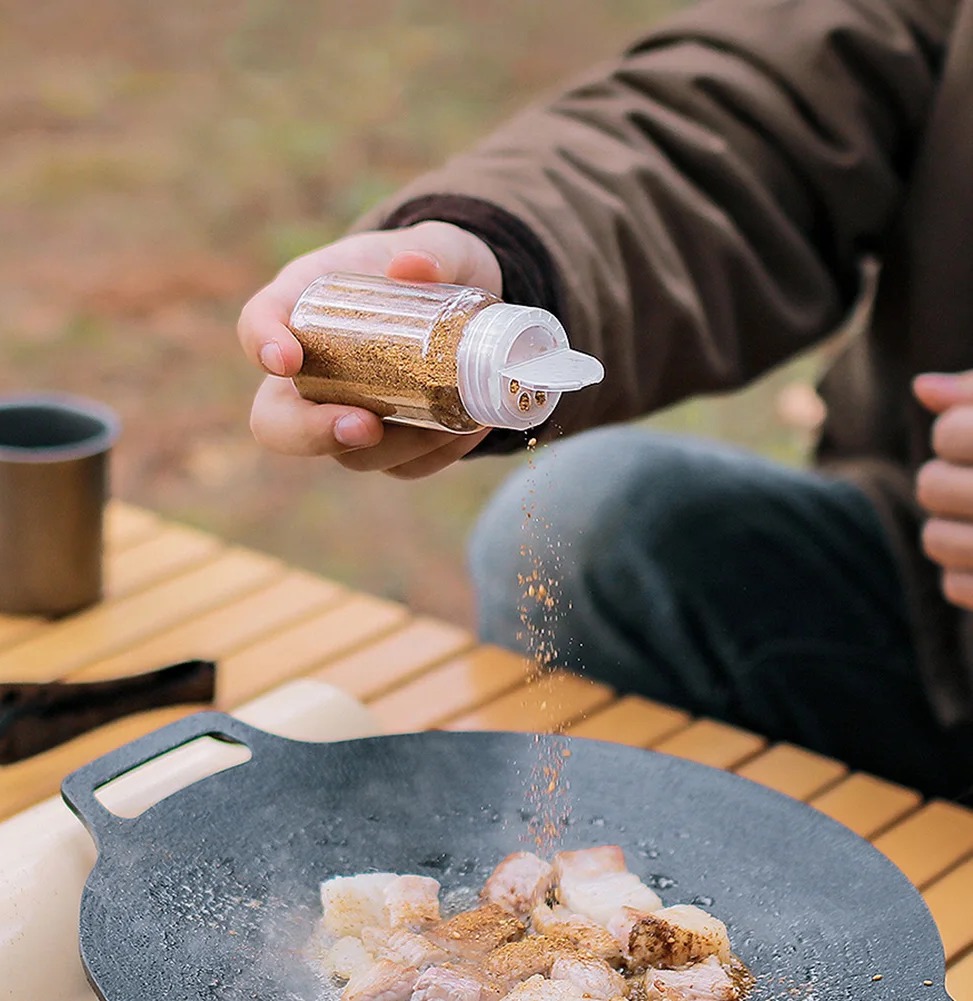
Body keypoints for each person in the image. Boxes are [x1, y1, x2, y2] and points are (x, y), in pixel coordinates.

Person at [237, 0, 973, 800]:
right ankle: (576, 907)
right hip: (940, 603)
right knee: (596, 527)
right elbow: (762, 107)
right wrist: (508, 256)